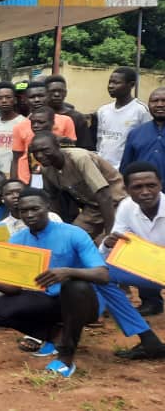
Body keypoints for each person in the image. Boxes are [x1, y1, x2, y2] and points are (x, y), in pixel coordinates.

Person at [0, 188, 108, 378]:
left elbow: (103, 275)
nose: (29, 215)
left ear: (47, 207)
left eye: (34, 209)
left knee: (74, 286)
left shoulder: (73, 233)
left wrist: (68, 272)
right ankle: (56, 336)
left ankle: (66, 358)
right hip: (47, 299)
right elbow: (14, 289)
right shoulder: (18, 240)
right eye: (24, 211)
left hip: (84, 302)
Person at [30, 131, 126, 239]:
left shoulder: (79, 158)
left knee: (110, 240)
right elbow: (53, 199)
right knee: (71, 238)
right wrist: (57, 228)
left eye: (45, 150)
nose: (39, 155)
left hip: (117, 202)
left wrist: (109, 232)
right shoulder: (46, 169)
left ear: (57, 146)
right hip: (93, 207)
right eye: (35, 152)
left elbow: (104, 195)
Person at [102, 162, 165, 323]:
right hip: (145, 265)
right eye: (138, 187)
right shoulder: (126, 206)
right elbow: (117, 242)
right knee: (99, 272)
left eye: (151, 185)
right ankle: (134, 312)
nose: (145, 192)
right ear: (127, 190)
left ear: (160, 185)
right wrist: (109, 244)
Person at [10, 88, 77, 183]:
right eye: (33, 123)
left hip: (60, 181)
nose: (36, 126)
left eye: (41, 122)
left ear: (53, 123)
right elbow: (18, 159)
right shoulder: (30, 143)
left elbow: (72, 158)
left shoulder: (64, 139)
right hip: (31, 181)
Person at [98, 68, 151, 169]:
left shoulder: (141, 110)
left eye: (116, 83)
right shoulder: (103, 110)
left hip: (125, 170)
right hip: (102, 169)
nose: (110, 86)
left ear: (131, 85)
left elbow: (145, 142)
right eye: (110, 82)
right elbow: (100, 140)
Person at [120, 87, 165, 202]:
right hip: (142, 197)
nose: (160, 104)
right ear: (149, 105)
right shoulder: (135, 133)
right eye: (155, 101)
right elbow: (126, 168)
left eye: (164, 100)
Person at [42, 75, 93, 151]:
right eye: (52, 91)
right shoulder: (39, 115)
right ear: (45, 93)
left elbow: (85, 147)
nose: (57, 94)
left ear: (65, 93)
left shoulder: (77, 117)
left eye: (60, 91)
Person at [0, 82, 27, 177]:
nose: (4, 101)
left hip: (18, 175)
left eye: (8, 97)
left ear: (15, 100)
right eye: (0, 98)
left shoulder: (25, 123)